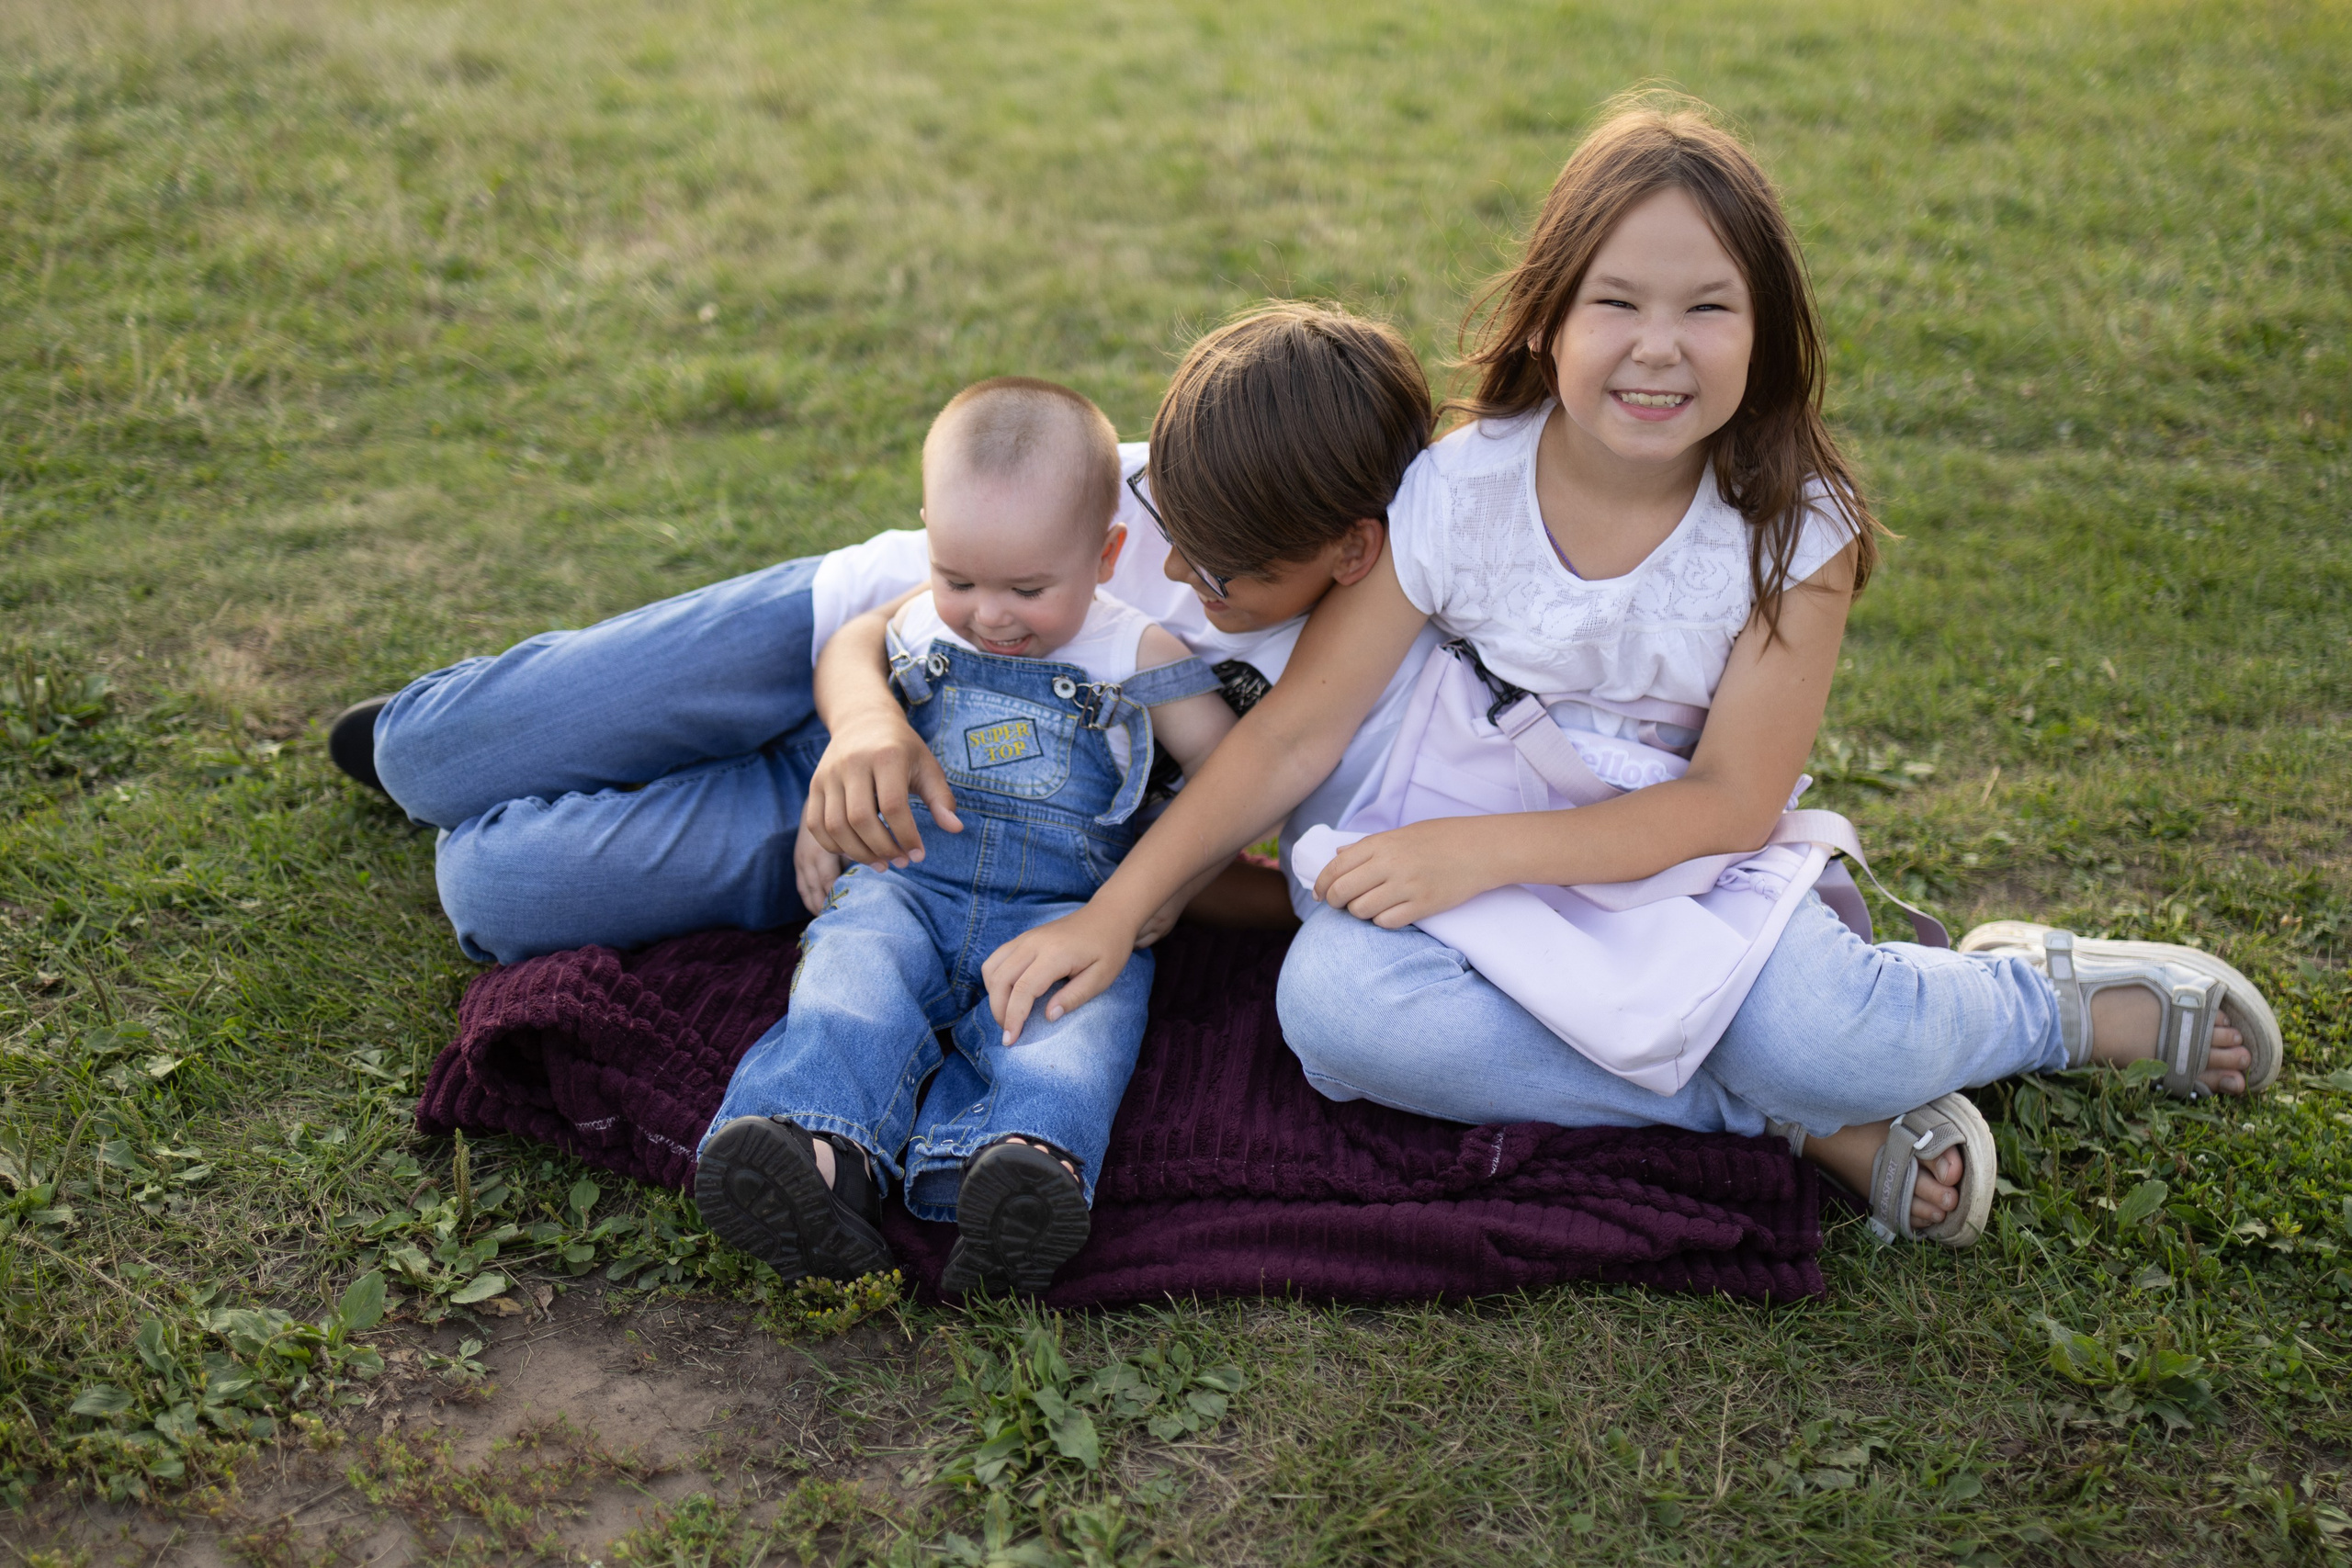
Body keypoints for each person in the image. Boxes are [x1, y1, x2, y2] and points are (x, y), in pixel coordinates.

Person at [968, 96, 2282, 1249]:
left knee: (1828, 1038)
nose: (1660, 347)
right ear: (1549, 319)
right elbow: (1289, 741)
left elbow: (1726, 803)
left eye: (1708, 307)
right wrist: (1118, 909)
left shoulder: (1791, 529)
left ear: (1765, 333)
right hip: (1466, 858)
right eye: (1619, 304)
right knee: (1339, 1015)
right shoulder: (1460, 491)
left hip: (1671, 862)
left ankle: (2041, 1000)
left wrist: (1481, 854)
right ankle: (1767, 1111)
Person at [348, 303, 1435, 970]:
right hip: (848, 637)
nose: (1184, 576)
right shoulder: (1189, 476)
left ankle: (673, 780)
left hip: (934, 808)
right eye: (1169, 532)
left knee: (497, 889)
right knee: (421, 755)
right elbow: (878, 620)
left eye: (1229, 572)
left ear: (1352, 552)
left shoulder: (1360, 684)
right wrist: (862, 719)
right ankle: (502, 736)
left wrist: (1144, 902)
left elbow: (1265, 865)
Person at [693, 378, 1238, 1296]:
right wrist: (836, 817)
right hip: (910, 880)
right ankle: (816, 1152)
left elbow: (1234, 775)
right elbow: (864, 706)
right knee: (850, 977)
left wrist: (1155, 895)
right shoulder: (915, 626)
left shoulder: (1134, 654)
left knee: (1071, 1027)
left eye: (1029, 588)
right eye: (959, 579)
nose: (991, 613)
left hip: (1067, 908)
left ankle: (1017, 1168)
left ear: (1105, 555)